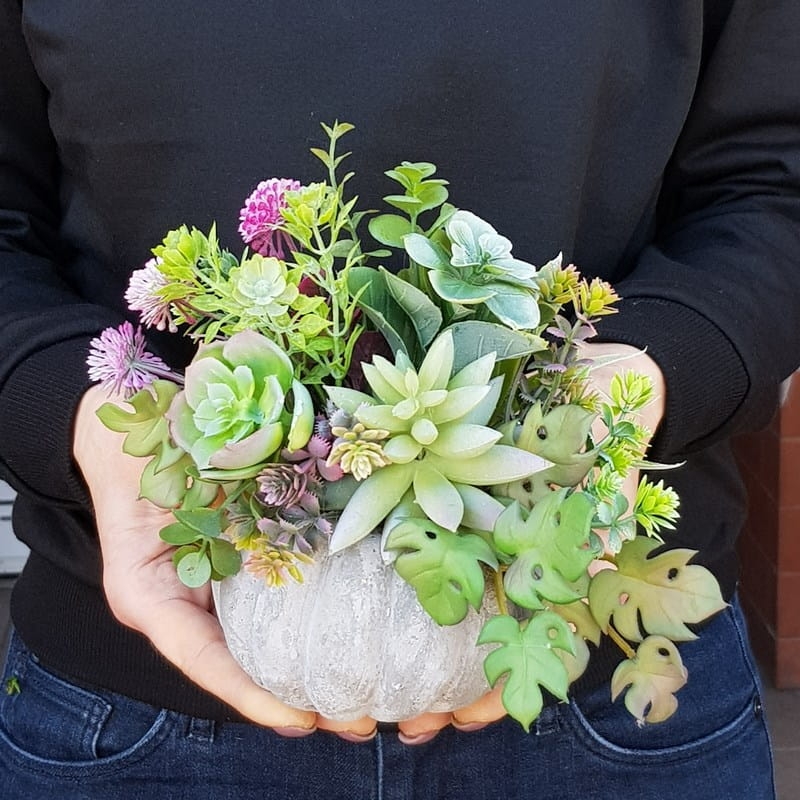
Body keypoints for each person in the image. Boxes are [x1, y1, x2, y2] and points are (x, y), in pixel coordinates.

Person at [0, 2, 797, 798]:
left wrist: (642, 378)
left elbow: (771, 184)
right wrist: (77, 414)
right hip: (135, 710)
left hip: (608, 693)